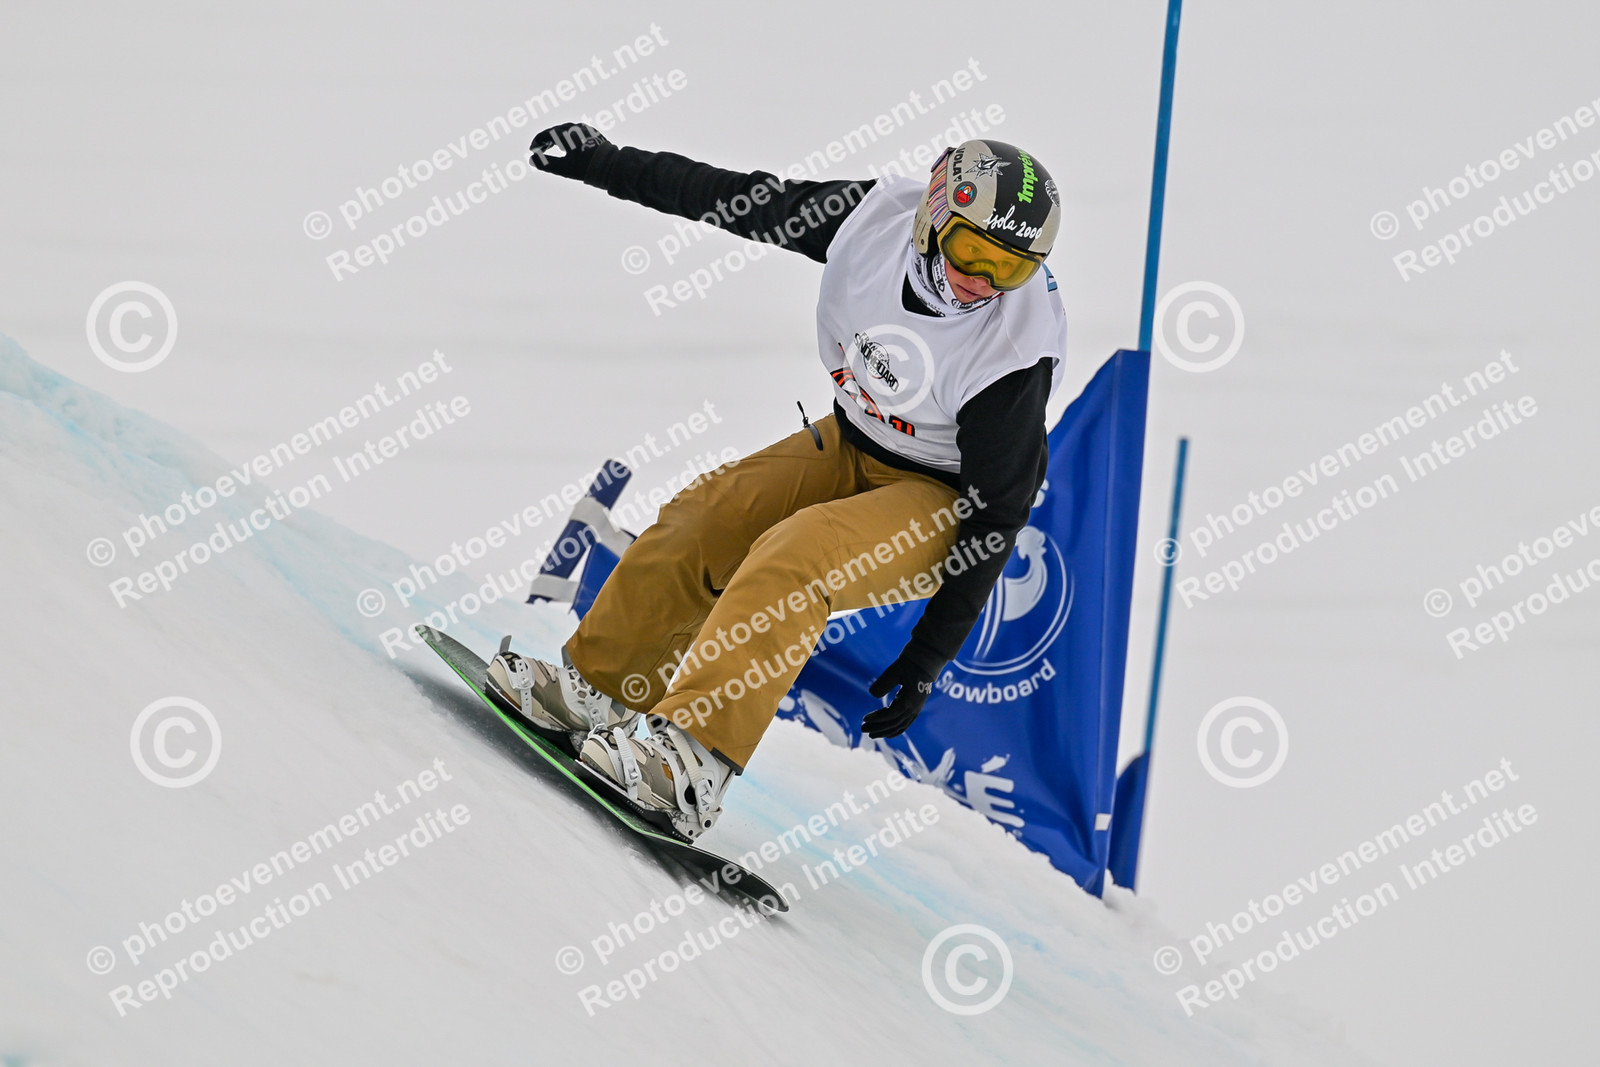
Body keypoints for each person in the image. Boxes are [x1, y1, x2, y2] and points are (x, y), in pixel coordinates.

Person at [486, 122, 1066, 840]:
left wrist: (927, 657)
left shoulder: (1011, 355)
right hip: (853, 440)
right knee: (707, 516)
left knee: (800, 554)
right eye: (973, 252)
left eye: (1009, 270)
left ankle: (692, 765)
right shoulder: (869, 222)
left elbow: (998, 513)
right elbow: (732, 198)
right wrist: (603, 163)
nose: (981, 282)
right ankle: (595, 690)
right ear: (931, 218)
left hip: (948, 500)